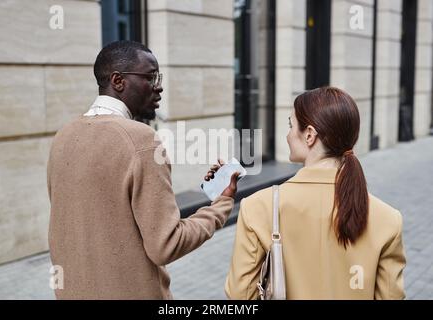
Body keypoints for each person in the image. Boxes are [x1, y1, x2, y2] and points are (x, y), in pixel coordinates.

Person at [47, 40, 239, 299]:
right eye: (150, 77)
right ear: (118, 81)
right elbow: (166, 244)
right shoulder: (142, 140)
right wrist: (221, 206)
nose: (159, 87)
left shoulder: (63, 136)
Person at [225, 86, 406, 299]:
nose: (288, 135)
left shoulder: (258, 207)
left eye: (291, 125)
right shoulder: (387, 218)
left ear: (309, 135)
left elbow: (240, 295)